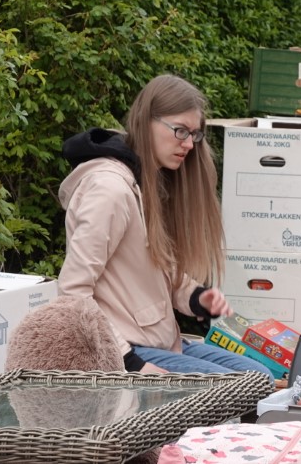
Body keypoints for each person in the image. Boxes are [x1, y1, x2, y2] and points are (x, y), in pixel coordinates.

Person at [57, 74, 273, 378]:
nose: (188, 144)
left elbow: (153, 271)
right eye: (180, 131)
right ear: (147, 122)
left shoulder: (143, 181)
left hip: (162, 342)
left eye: (194, 134)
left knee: (258, 376)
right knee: (240, 389)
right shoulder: (109, 190)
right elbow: (72, 291)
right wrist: (131, 362)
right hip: (126, 349)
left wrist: (197, 297)